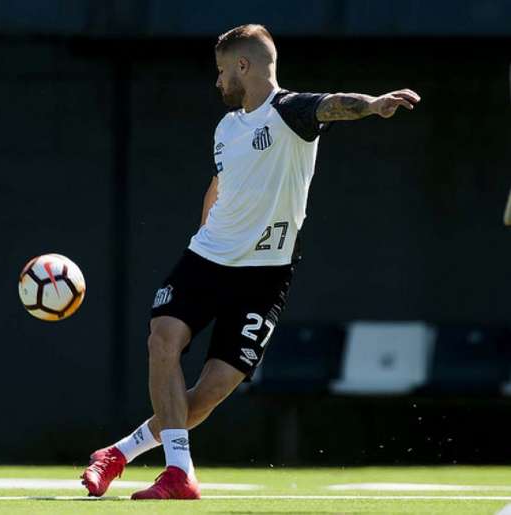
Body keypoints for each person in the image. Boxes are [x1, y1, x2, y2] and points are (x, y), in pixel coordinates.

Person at [81, 23, 420, 500]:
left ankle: (117, 454)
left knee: (210, 392)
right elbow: (220, 185)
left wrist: (373, 105)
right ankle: (179, 474)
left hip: (266, 275)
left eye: (222, 71)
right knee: (163, 339)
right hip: (207, 259)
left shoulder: (289, 112)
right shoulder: (225, 128)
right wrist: (200, 238)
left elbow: (334, 103)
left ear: (244, 66)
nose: (218, 82)